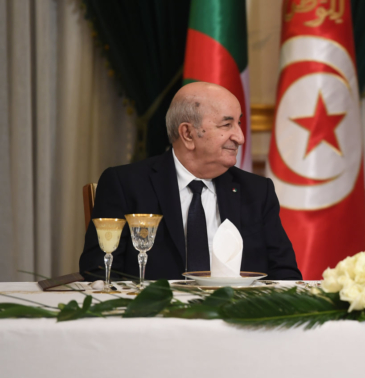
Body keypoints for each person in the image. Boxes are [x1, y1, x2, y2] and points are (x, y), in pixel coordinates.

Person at [80, 82, 302, 280]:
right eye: (226, 125)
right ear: (187, 134)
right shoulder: (126, 185)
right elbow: (98, 272)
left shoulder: (257, 191)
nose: (240, 137)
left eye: (239, 123)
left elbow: (286, 274)